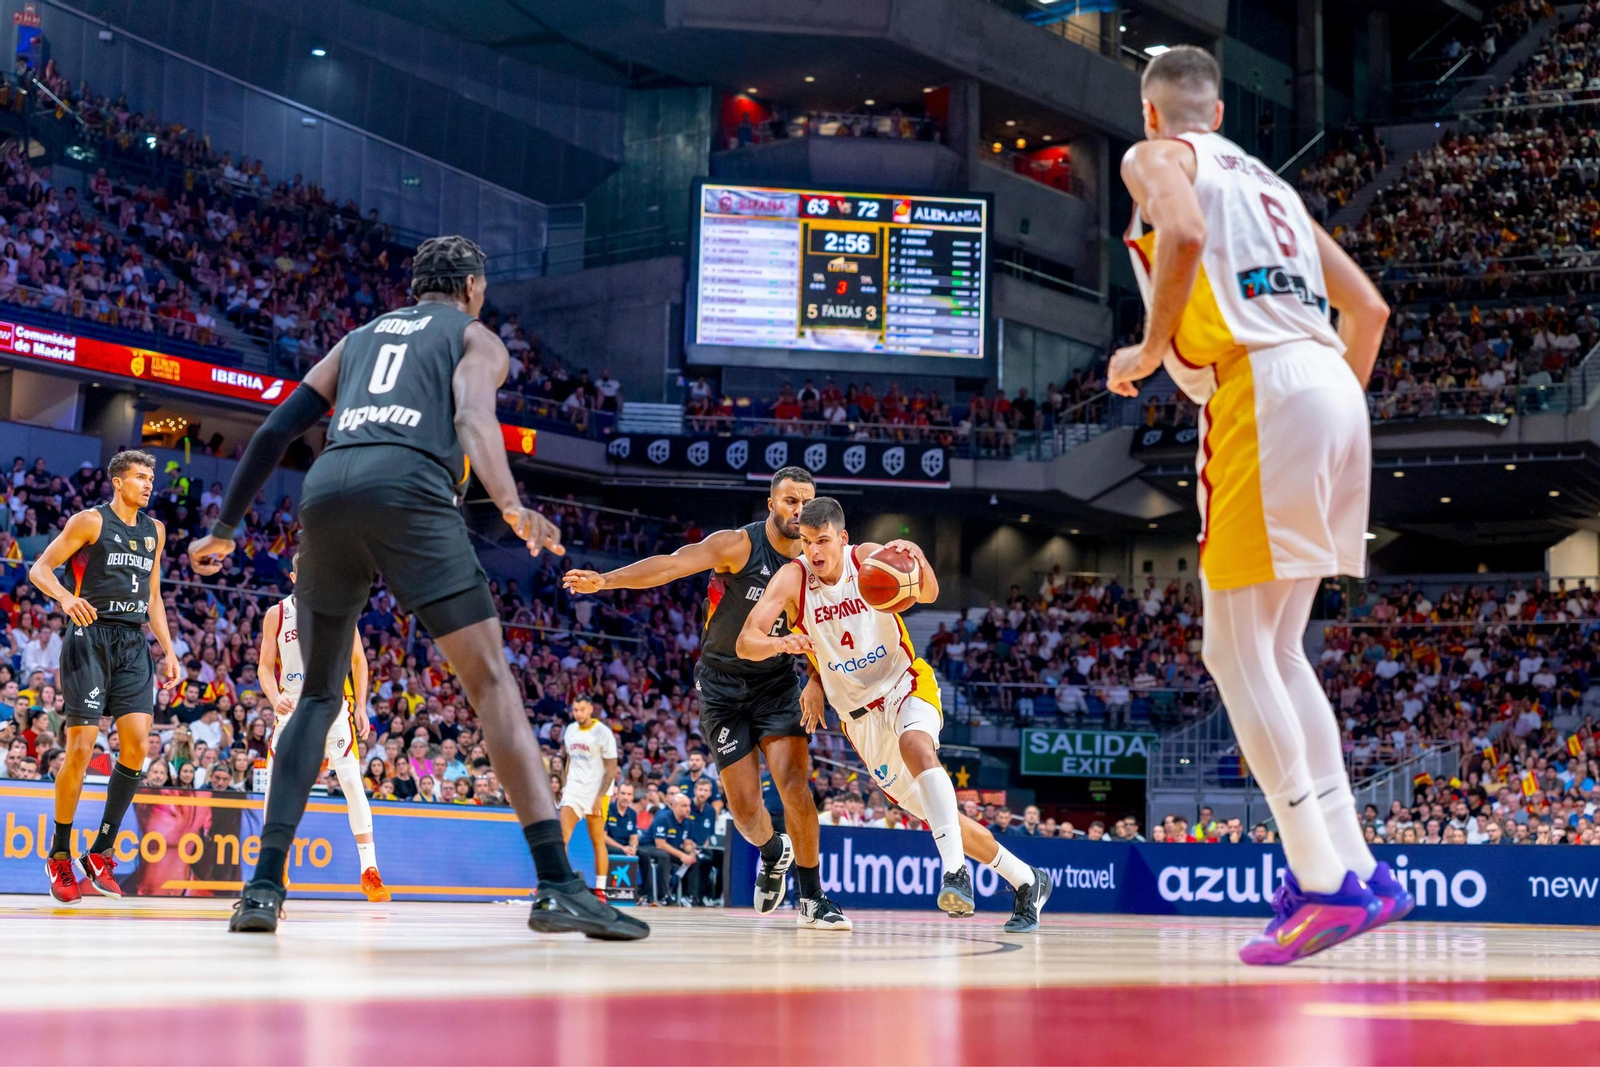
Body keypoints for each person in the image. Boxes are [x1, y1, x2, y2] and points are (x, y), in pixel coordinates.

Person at [186, 234, 644, 940]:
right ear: (467, 286)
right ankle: (556, 883)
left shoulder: (359, 338)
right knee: (492, 684)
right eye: (482, 287)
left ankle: (263, 890)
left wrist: (224, 524)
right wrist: (513, 504)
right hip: (410, 490)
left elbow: (278, 426)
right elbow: (471, 417)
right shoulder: (475, 336)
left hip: (329, 491)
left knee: (316, 695)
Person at [1110, 47, 1409, 965]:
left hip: (1265, 386)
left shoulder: (1155, 158)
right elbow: (1371, 311)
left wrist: (1148, 349)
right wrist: (1325, 399)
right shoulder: (1278, 189)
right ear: (1221, 108)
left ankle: (1323, 884)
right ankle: (1355, 868)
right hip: (1330, 380)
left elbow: (1186, 236)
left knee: (1234, 650)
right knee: (1279, 649)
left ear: (1157, 115)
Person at [738, 497, 1052, 933]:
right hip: (859, 718)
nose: (814, 551)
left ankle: (955, 874)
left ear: (842, 538)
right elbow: (745, 640)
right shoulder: (793, 579)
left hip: (904, 681)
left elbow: (929, 592)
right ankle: (1027, 880)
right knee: (939, 816)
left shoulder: (867, 559)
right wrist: (779, 645)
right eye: (807, 542)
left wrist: (918, 558)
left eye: (823, 540)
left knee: (917, 745)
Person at [562, 467, 848, 930]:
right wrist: (606, 581)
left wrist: (815, 680)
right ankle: (774, 851)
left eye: (806, 501)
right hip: (720, 685)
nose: (799, 510)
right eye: (791, 500)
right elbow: (671, 564)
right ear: (771, 504)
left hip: (777, 683)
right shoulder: (737, 546)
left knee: (795, 785)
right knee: (745, 811)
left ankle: (813, 896)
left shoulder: (815, 563)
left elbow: (830, 628)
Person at [29, 449, 181, 902]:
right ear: (118, 482)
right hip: (89, 637)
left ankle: (100, 852)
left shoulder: (156, 531)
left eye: (150, 478)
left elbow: (153, 596)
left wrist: (170, 650)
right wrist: (64, 598)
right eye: (139, 477)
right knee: (80, 748)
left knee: (136, 746)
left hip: (133, 644)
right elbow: (40, 569)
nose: (148, 484)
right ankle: (59, 855)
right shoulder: (89, 522)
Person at [259, 552, 387, 902]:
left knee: (350, 780)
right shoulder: (277, 614)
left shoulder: (341, 609)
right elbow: (263, 669)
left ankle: (369, 870)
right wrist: (273, 698)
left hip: (333, 706)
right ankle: (276, 862)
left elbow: (359, 662)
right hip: (292, 705)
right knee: (275, 783)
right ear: (294, 577)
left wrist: (361, 706)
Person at [559, 696, 619, 898]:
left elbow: (611, 768)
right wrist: (565, 783)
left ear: (591, 709)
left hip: (597, 790)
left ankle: (601, 890)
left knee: (597, 839)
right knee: (561, 838)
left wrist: (598, 796)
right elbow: (569, 759)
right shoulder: (570, 730)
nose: (578, 713)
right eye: (575, 709)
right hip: (574, 789)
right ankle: (561, 883)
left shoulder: (603, 733)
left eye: (582, 709)